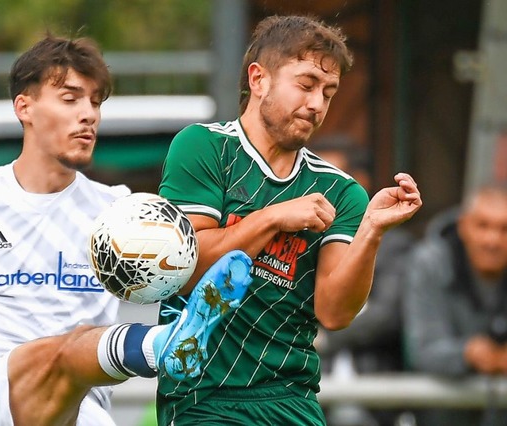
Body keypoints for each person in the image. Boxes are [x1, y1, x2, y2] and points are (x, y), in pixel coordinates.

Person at [0, 34, 254, 426]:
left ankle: (164, 343)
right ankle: (160, 347)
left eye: (95, 102)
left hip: (83, 409)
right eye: (70, 98)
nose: (89, 114)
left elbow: (175, 281)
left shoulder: (120, 211)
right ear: (24, 107)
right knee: (66, 349)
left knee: (78, 358)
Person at [156, 15, 422, 426]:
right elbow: (185, 271)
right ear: (259, 79)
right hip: (202, 396)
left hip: (291, 396)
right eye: (306, 84)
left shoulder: (342, 192)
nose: (317, 104)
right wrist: (273, 218)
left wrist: (371, 230)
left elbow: (334, 313)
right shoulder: (203, 147)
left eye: (328, 92)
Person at [310, 136, 416, 426]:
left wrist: (321, 336)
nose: (323, 189)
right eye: (316, 178)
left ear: (360, 181)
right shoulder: (301, 243)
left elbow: (385, 317)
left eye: (332, 177)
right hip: (307, 395)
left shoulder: (395, 245)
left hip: (376, 403)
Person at [404, 183, 507, 426]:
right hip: (440, 414)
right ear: (463, 226)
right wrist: (471, 353)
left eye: (504, 229)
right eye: (483, 226)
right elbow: (421, 351)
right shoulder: (429, 263)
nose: (493, 240)